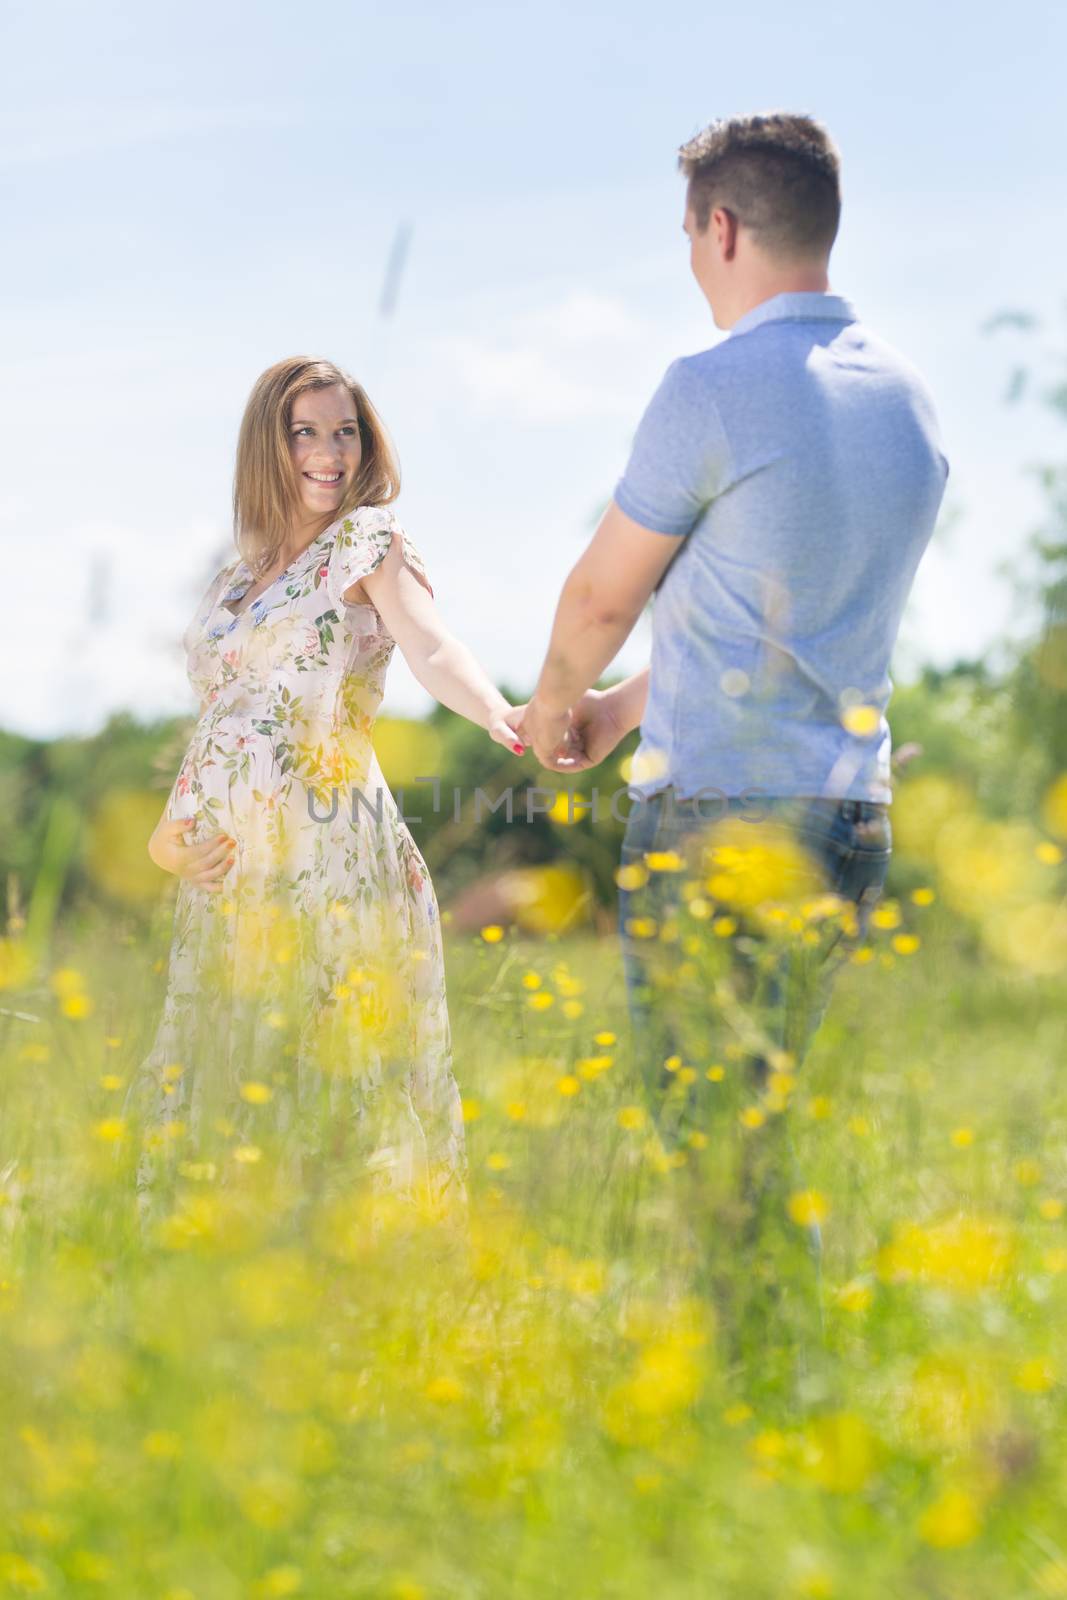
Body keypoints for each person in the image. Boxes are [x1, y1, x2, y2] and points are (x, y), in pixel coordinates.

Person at [508, 112, 949, 1328]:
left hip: (715, 823)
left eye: (688, 234)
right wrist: (617, 711)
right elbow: (786, 621)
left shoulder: (708, 387)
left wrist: (552, 705)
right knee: (761, 1113)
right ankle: (784, 1380)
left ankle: (769, 1392)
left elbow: (603, 591)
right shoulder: (906, 399)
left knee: (712, 1130)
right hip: (847, 815)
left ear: (720, 227)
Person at [131, 356, 524, 1226]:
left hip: (330, 854)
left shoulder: (370, 542)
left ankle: (368, 1313)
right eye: (304, 431)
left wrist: (497, 709)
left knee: (343, 1080)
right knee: (230, 1082)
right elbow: (225, 721)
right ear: (266, 447)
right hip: (232, 878)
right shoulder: (235, 580)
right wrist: (168, 835)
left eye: (344, 430)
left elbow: (430, 645)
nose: (328, 452)